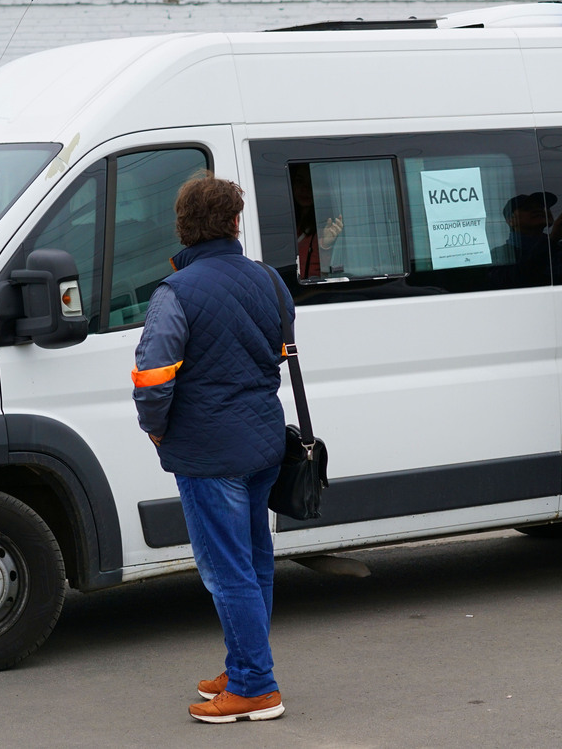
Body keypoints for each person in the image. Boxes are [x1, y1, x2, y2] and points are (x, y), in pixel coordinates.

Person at [131, 174, 291, 724]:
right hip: (264, 441)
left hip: (208, 450)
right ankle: (244, 663)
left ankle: (254, 686)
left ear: (182, 226)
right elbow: (279, 347)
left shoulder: (175, 292)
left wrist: (156, 429)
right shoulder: (269, 281)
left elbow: (153, 377)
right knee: (254, 561)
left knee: (227, 571)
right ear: (234, 221)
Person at [491, 192, 562, 287]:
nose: (538, 210)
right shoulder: (500, 254)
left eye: (542, 207)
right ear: (511, 220)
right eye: (527, 208)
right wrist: (551, 241)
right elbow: (513, 280)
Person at [290, 165, 343, 279]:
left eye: (312, 183)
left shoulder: (328, 227)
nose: (305, 188)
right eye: (300, 181)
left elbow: (325, 272)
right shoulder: (287, 223)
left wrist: (325, 245)